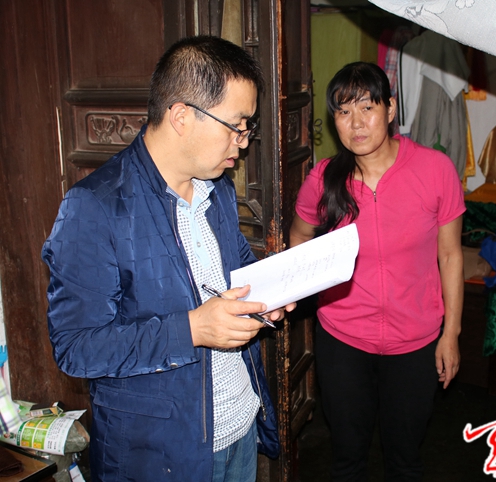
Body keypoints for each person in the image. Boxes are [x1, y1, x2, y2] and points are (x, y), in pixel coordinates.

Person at [42, 36, 295, 482]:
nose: (242, 142)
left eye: (247, 128)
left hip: (239, 423)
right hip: (161, 454)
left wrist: (269, 293)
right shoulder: (95, 206)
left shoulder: (216, 188)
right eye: (236, 126)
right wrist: (192, 329)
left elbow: (236, 269)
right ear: (181, 116)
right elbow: (76, 347)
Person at [290, 62, 465, 481]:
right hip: (343, 339)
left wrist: (451, 334)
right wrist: (305, 286)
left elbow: (450, 256)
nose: (356, 123)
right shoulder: (324, 178)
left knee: (405, 459)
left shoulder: (435, 169)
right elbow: (299, 235)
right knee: (347, 459)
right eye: (343, 111)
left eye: (367, 107)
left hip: (415, 341)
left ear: (390, 109)